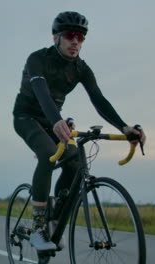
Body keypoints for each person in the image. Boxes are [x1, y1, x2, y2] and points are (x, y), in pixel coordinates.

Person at [12, 11, 146, 250]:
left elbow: (99, 100)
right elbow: (42, 93)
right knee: (47, 152)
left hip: (55, 120)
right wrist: (56, 120)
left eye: (81, 37)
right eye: (70, 35)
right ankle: (38, 228)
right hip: (27, 117)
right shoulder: (37, 59)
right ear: (56, 37)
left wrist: (125, 127)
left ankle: (55, 220)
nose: (76, 41)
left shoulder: (82, 69)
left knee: (74, 163)